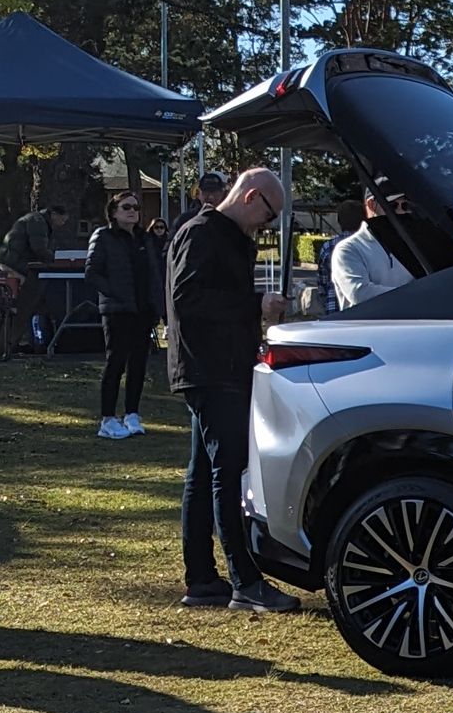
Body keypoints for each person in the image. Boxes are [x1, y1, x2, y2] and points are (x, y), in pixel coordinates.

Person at [166, 164, 299, 614]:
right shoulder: (201, 233)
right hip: (210, 369)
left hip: (218, 366)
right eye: (268, 215)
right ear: (250, 197)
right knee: (227, 471)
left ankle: (202, 579)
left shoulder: (229, 238)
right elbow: (188, 300)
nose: (268, 226)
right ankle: (245, 581)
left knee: (203, 474)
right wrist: (255, 304)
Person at [87, 186, 163, 439]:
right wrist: (115, 294)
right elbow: (92, 272)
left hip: (143, 311)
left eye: (136, 208)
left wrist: (157, 306)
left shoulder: (145, 239)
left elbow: (155, 274)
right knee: (115, 362)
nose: (132, 212)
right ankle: (107, 418)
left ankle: (132, 414)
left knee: (139, 363)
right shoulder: (104, 236)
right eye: (126, 207)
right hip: (117, 311)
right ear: (114, 212)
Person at [2, 199, 70, 354]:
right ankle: (7, 345)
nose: (62, 224)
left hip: (15, 264)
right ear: (53, 214)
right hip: (17, 267)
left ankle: (23, 343)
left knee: (32, 307)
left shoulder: (34, 220)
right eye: (62, 219)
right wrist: (55, 259)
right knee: (24, 306)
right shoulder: (38, 222)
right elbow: (39, 248)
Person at [329, 187, 412, 310]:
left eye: (404, 206)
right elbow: (360, 294)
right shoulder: (348, 249)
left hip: (407, 326)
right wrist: (414, 296)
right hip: (367, 328)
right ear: (371, 205)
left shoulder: (412, 247)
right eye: (393, 205)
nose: (401, 212)